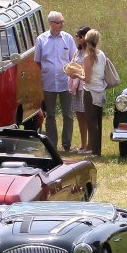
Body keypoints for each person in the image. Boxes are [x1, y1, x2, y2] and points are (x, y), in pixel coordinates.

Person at [35, 11, 76, 151]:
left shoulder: (68, 38)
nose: (62, 25)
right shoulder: (41, 39)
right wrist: (48, 71)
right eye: (59, 22)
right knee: (50, 115)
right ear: (51, 23)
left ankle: (66, 144)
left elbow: (73, 59)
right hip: (48, 82)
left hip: (66, 82)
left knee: (68, 114)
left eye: (63, 22)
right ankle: (52, 144)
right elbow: (37, 61)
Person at [79, 29, 120, 158]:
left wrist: (76, 75)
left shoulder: (88, 57)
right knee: (98, 121)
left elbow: (87, 79)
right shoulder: (101, 54)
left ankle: (95, 151)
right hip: (100, 90)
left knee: (91, 121)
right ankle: (97, 150)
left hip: (90, 91)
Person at [69, 26, 91, 150]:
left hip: (85, 86)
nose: (77, 38)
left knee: (87, 116)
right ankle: (83, 144)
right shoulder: (77, 51)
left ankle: (90, 144)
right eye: (76, 36)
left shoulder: (90, 52)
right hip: (76, 86)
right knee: (80, 117)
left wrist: (78, 74)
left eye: (80, 36)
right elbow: (72, 64)